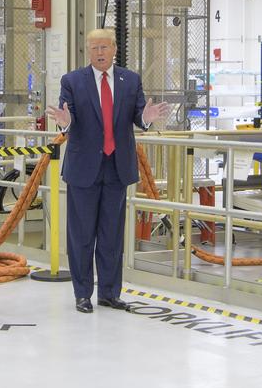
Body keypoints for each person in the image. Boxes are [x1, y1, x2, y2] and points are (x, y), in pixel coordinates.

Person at [45, 29, 170, 314]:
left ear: (114, 48)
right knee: (81, 235)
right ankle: (82, 294)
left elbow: (139, 116)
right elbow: (68, 117)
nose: (99, 52)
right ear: (87, 52)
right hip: (83, 169)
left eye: (104, 47)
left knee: (112, 235)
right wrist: (65, 123)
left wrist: (146, 119)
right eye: (93, 48)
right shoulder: (72, 81)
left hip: (117, 168)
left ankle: (110, 293)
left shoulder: (130, 80)